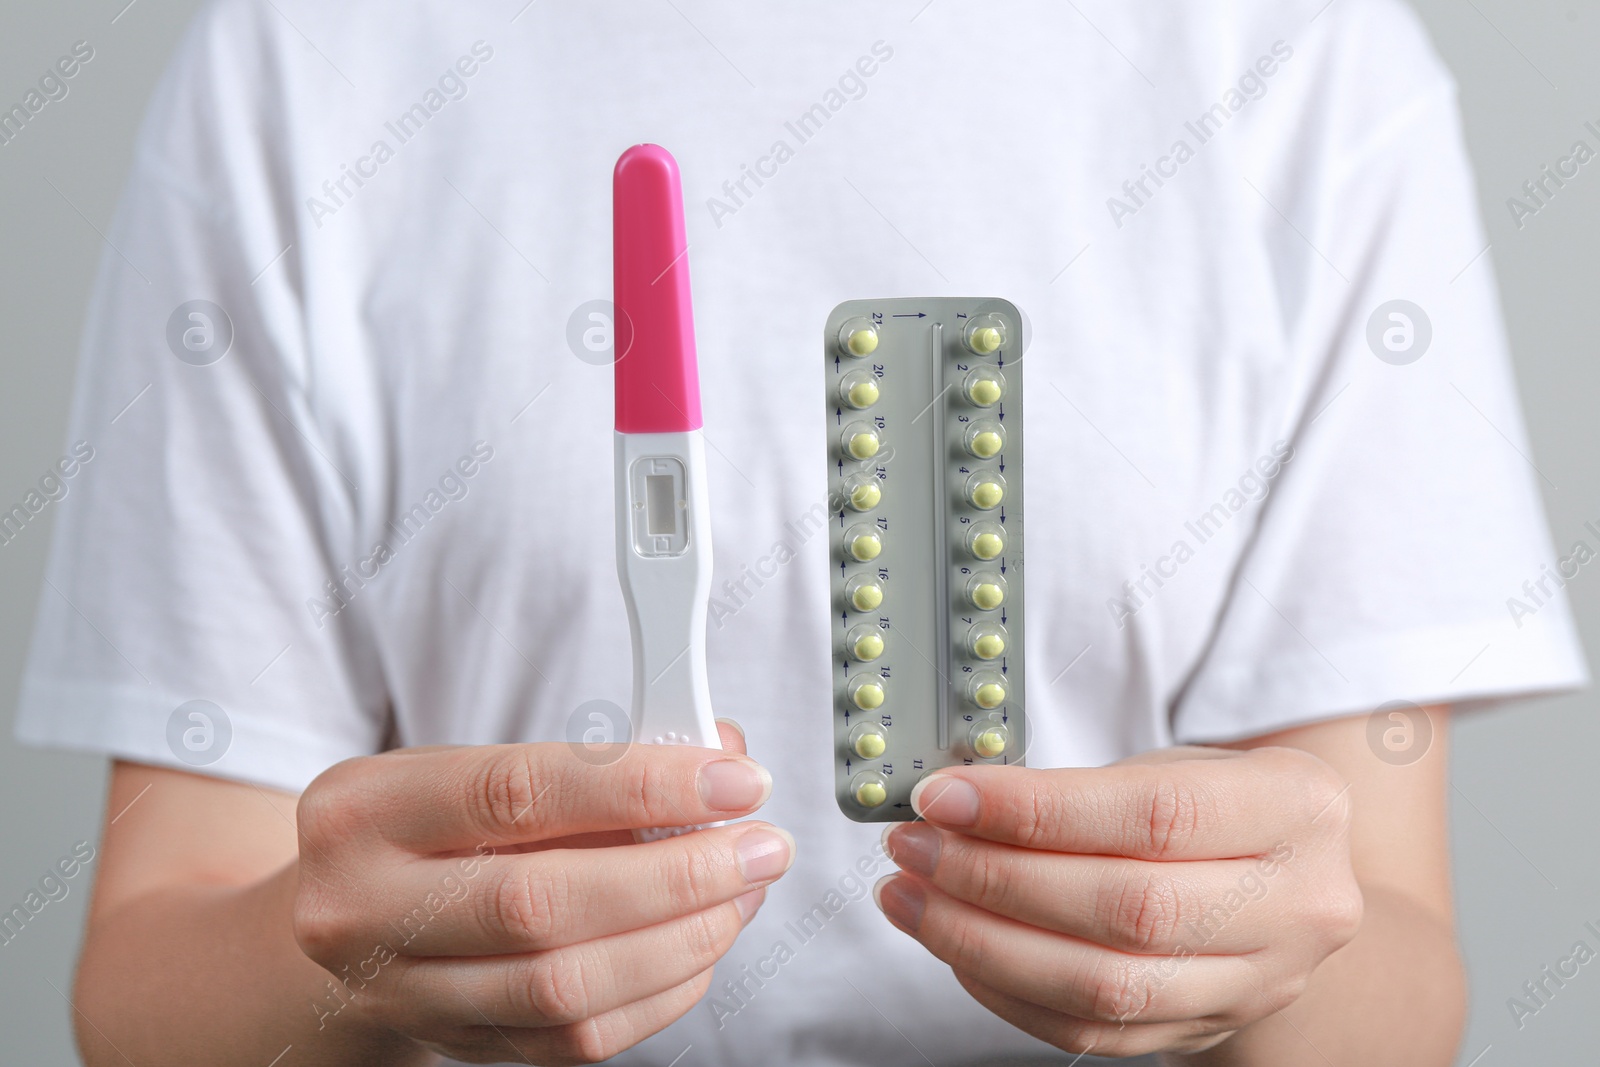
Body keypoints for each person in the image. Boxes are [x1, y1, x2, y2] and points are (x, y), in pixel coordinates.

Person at [16, 0, 1585, 1064]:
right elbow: (146, 982)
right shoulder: (305, 56)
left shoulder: (1306, 52)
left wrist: (1247, 967)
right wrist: (350, 969)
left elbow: (1397, 967)